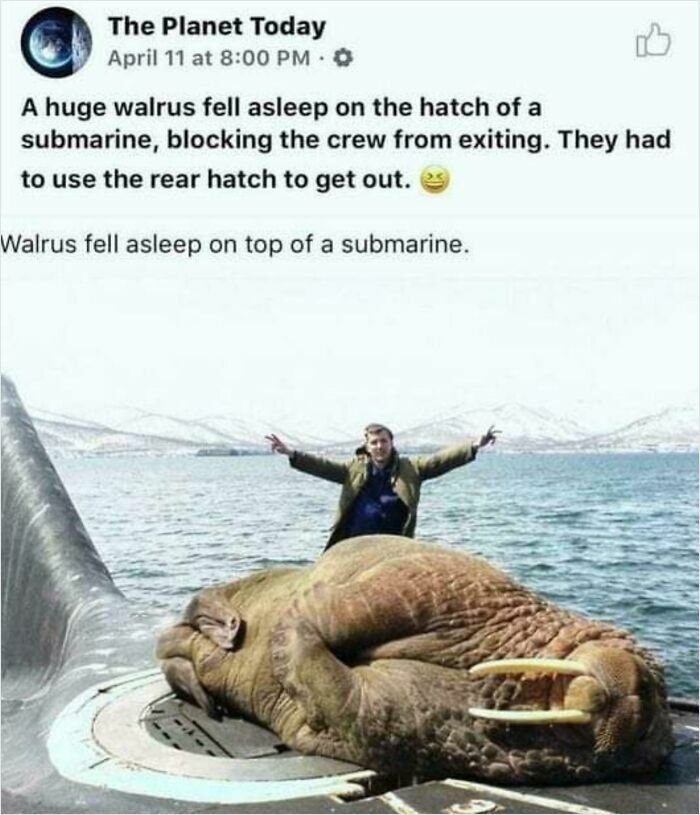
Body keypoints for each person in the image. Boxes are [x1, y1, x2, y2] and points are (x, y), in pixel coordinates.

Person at [265, 422, 499, 551]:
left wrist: (475, 445)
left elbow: (441, 460)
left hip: (394, 545)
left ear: (391, 443)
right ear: (367, 446)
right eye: (374, 442)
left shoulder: (412, 468)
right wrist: (291, 453)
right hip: (353, 543)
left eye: (384, 441)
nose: (379, 446)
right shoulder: (352, 470)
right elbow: (321, 466)